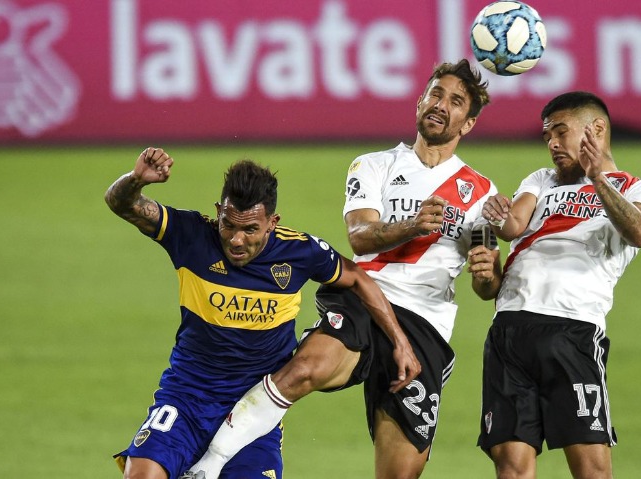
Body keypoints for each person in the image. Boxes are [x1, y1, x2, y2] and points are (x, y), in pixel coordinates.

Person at [182, 58, 503, 479]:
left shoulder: (483, 192)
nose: (441, 105)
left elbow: (487, 283)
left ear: (469, 123)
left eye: (455, 102)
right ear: (420, 102)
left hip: (425, 323)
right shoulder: (372, 165)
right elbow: (359, 236)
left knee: (399, 474)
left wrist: (487, 272)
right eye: (435, 94)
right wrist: (412, 225)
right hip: (364, 298)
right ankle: (208, 466)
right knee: (305, 369)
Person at [107, 147, 420, 479]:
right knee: (141, 475)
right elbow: (121, 203)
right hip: (187, 399)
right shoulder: (191, 235)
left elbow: (358, 279)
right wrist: (136, 179)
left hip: (254, 411)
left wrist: (400, 342)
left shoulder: (299, 252)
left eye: (250, 230)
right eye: (228, 225)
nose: (236, 240)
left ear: (272, 223)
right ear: (219, 212)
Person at [476, 91, 641, 479]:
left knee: (592, 471)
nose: (553, 144)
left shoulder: (635, 188)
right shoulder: (541, 180)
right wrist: (496, 216)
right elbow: (513, 226)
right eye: (547, 136)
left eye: (561, 132)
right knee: (511, 468)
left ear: (597, 129)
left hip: (572, 331)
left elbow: (639, 232)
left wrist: (598, 179)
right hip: (510, 329)